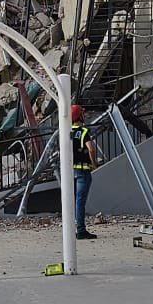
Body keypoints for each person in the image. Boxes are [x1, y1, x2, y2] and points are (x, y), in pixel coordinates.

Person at [69, 103, 98, 241]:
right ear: (79, 115)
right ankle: (81, 230)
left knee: (72, 201)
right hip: (82, 172)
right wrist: (94, 163)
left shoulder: (66, 131)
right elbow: (90, 148)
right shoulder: (84, 131)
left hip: (70, 171)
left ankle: (71, 230)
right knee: (80, 202)